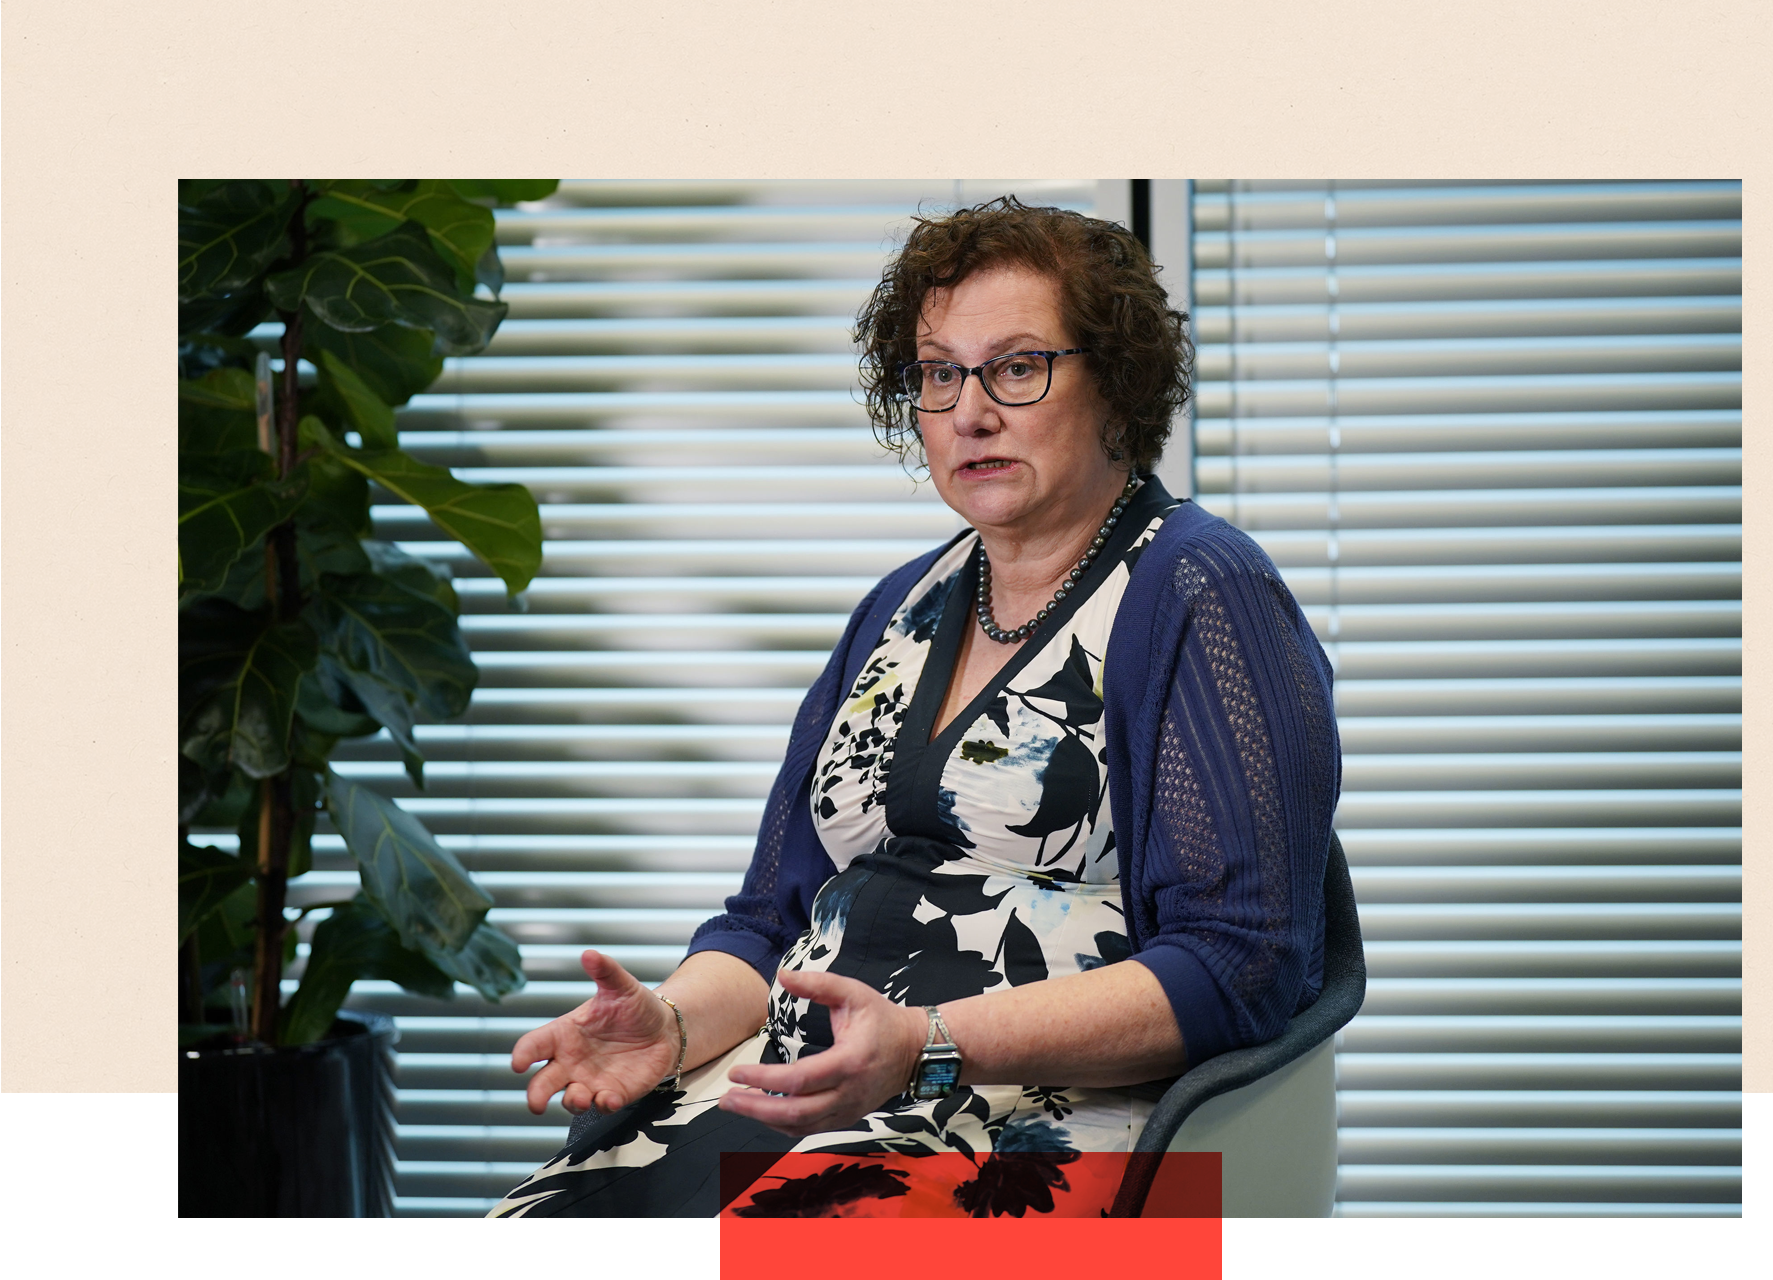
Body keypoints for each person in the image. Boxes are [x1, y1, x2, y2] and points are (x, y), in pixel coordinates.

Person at [488, 196, 1341, 1219]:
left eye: (1017, 366)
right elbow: (771, 920)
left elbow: (1240, 963)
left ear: (1115, 382)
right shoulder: (898, 606)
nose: (970, 411)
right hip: (801, 1088)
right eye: (942, 373)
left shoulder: (1204, 589)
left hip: (1045, 1123)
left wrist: (929, 1041)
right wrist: (670, 1023)